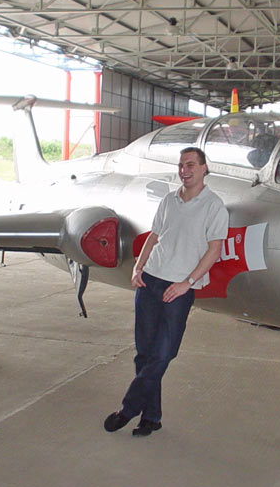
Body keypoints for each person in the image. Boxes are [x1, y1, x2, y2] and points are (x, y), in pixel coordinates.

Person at [104, 147, 228, 437]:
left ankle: (128, 408)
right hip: (150, 282)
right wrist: (138, 267)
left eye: (191, 165)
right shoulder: (169, 200)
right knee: (144, 354)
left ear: (204, 168)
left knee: (163, 354)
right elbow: (153, 236)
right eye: (181, 165)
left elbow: (215, 249)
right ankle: (152, 417)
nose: (184, 170)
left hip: (178, 289)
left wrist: (188, 281)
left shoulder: (214, 206)